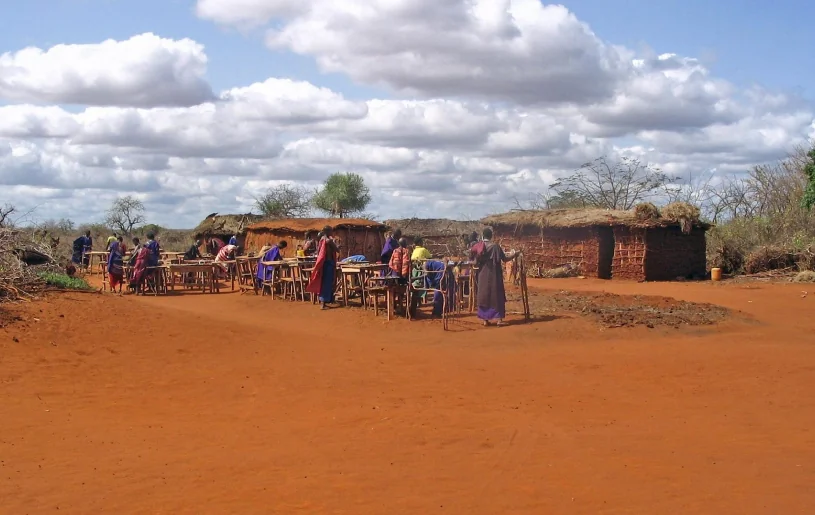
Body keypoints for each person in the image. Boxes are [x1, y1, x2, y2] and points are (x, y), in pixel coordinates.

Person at [470, 227, 520, 327]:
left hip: (482, 275)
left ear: (483, 236)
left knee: (484, 295)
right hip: (494, 275)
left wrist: (468, 263)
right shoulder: (495, 247)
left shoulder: (479, 246)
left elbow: (475, 262)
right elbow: (505, 259)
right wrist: (515, 255)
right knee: (496, 295)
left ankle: (485, 320)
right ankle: (499, 320)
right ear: (491, 236)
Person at [306, 226, 340, 310]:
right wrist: (337, 246)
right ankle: (323, 303)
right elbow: (337, 250)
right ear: (328, 231)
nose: (332, 233)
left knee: (324, 282)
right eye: (331, 231)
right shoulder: (328, 240)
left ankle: (328, 300)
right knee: (327, 283)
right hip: (328, 264)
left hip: (324, 263)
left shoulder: (321, 240)